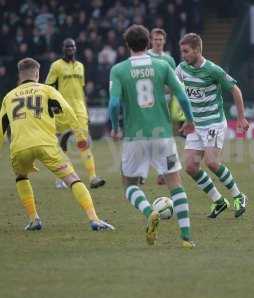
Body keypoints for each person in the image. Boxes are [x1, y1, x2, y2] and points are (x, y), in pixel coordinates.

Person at [0, 58, 114, 231]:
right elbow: (67, 111)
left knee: (21, 176)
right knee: (73, 179)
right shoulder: (47, 90)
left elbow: (1, 127)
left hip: (19, 147)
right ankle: (94, 219)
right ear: (37, 74)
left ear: (20, 75)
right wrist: (79, 133)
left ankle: (34, 219)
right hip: (46, 144)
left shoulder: (9, 97)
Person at [108, 25, 195, 248]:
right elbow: (182, 95)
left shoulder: (118, 70)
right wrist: (190, 120)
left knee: (130, 185)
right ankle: (185, 237)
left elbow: (114, 103)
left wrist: (115, 127)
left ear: (127, 45)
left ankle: (149, 212)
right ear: (148, 43)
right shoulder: (162, 65)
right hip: (163, 134)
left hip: (134, 136)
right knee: (175, 184)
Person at [176, 33, 249, 219]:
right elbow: (172, 88)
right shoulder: (182, 69)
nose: (183, 55)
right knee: (191, 167)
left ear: (197, 50)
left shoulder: (213, 70)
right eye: (182, 51)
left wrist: (241, 118)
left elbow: (235, 90)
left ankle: (238, 196)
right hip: (196, 124)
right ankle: (218, 201)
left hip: (213, 122)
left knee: (211, 162)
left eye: (186, 51)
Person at [45, 38, 105, 189]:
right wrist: (53, 106)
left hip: (79, 111)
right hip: (63, 110)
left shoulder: (80, 66)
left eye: (72, 46)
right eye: (67, 47)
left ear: (76, 48)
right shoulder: (56, 66)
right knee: (62, 145)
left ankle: (92, 177)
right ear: (63, 49)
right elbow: (49, 88)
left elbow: (81, 89)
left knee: (83, 142)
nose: (70, 49)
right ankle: (62, 178)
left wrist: (86, 109)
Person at [147, 27, 186, 185]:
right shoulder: (146, 56)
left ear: (164, 41)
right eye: (155, 39)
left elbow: (174, 82)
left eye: (160, 39)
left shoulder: (169, 60)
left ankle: (166, 171)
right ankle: (162, 170)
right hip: (148, 103)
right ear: (151, 40)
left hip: (165, 103)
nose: (157, 42)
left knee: (165, 137)